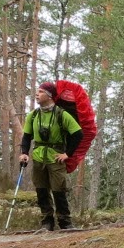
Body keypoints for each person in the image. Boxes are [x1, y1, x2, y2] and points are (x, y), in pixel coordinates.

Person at [21, 83, 82, 231]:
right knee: (41, 190)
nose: (37, 94)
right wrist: (24, 153)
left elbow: (78, 134)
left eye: (41, 92)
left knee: (58, 190)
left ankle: (65, 222)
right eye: (37, 91)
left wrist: (67, 154)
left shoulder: (62, 115)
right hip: (38, 157)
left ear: (49, 96)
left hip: (56, 158)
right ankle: (46, 222)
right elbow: (27, 136)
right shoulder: (33, 115)